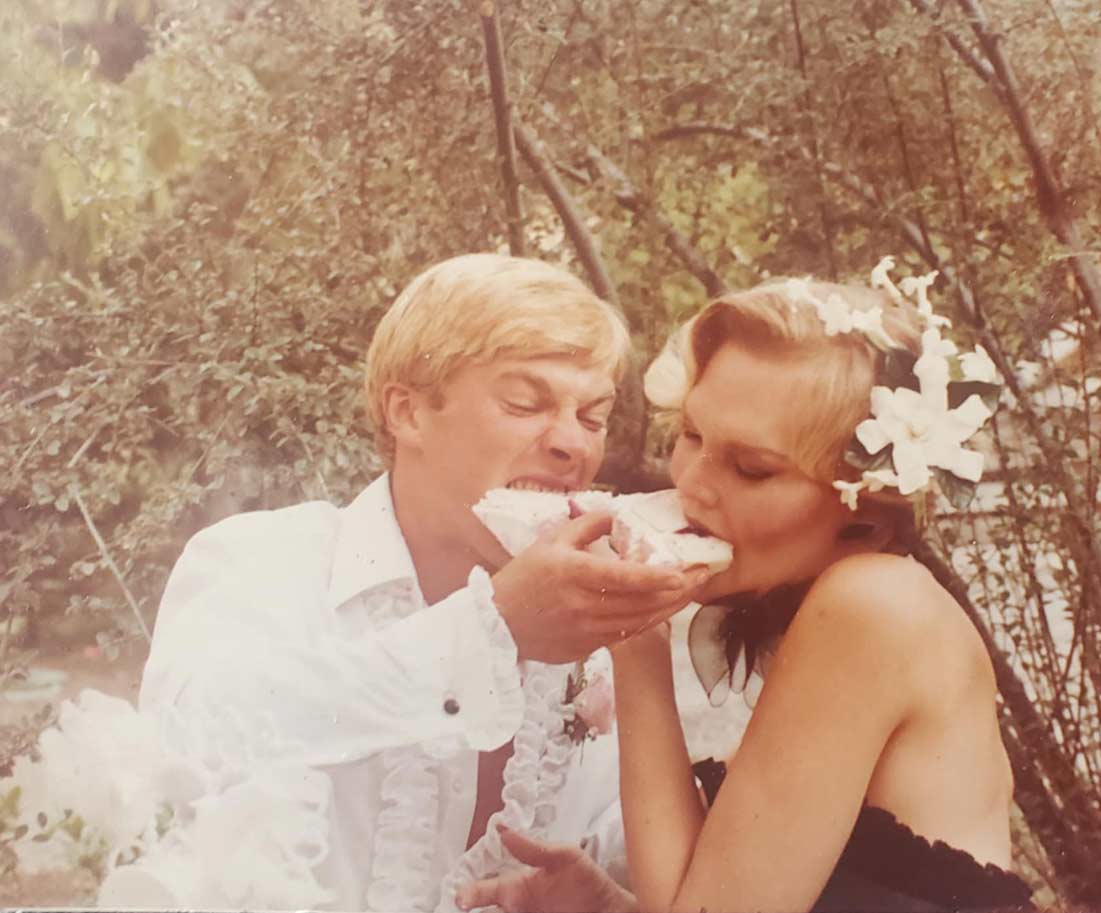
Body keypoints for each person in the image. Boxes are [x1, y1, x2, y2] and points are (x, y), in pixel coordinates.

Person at [99, 254, 703, 911]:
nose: (571, 444)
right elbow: (193, 746)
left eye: (592, 416)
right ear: (407, 413)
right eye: (525, 402)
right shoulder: (259, 561)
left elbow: (638, 848)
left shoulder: (600, 637)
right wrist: (489, 629)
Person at [458, 263, 1036, 912]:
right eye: (693, 435)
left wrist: (634, 640)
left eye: (753, 468)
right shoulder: (842, 607)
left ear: (865, 514)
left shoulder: (873, 604)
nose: (693, 483)